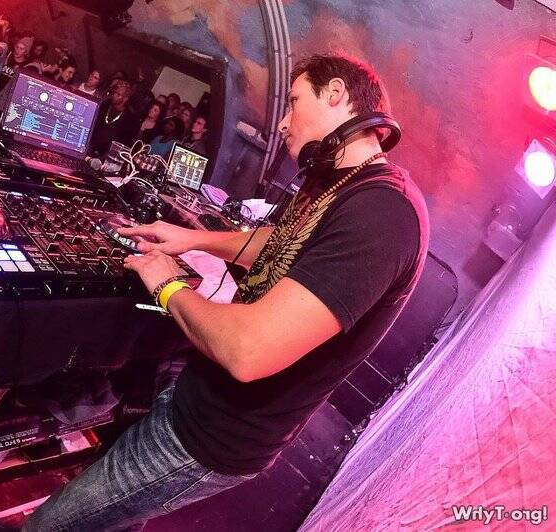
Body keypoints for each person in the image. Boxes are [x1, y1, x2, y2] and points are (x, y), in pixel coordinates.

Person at [24, 52, 430, 531]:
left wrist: (167, 282)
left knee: (48, 526)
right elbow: (282, 244)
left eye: (294, 101)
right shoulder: (337, 182)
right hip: (199, 398)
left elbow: (247, 351)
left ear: (336, 94)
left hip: (216, 435)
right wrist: (191, 239)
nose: (283, 122)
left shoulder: (383, 215)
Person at [88, 82, 140, 158]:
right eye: (115, 93)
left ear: (125, 98)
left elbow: (125, 142)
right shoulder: (104, 106)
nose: (114, 95)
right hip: (91, 146)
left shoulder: (130, 119)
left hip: (108, 154)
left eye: (118, 94)